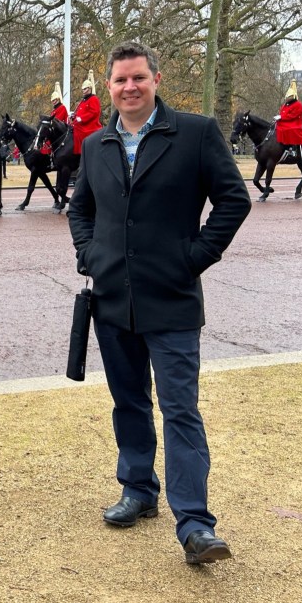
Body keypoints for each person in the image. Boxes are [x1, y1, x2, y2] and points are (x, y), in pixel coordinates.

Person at [68, 41, 251, 566]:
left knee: (179, 410)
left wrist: (193, 258)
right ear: (109, 86)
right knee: (128, 402)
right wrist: (90, 255)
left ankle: (194, 524)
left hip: (171, 300)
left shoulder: (195, 133)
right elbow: (80, 209)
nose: (130, 87)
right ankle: (138, 490)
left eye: (138, 78)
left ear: (156, 80)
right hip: (112, 301)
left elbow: (233, 200)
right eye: (120, 80)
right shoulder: (96, 144)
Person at [274, 80, 302, 163]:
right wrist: (279, 117)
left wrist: (281, 117)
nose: (287, 98)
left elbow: (293, 116)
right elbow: (283, 113)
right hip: (285, 121)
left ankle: (292, 148)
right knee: (275, 127)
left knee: (289, 129)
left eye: (289, 97)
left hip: (294, 122)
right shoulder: (285, 105)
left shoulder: (298, 105)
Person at [71, 71, 103, 155]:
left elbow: (94, 112)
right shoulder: (84, 100)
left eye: (85, 89)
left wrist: (82, 118)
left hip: (89, 126)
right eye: (83, 89)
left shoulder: (93, 99)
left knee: (78, 132)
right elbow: (79, 113)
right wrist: (74, 116)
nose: (83, 91)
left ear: (90, 88)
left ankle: (81, 152)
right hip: (80, 124)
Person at [41, 83, 69, 156]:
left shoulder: (62, 108)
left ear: (58, 99)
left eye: (55, 100)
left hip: (60, 130)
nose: (53, 102)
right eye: (52, 101)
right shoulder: (54, 110)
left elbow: (57, 121)